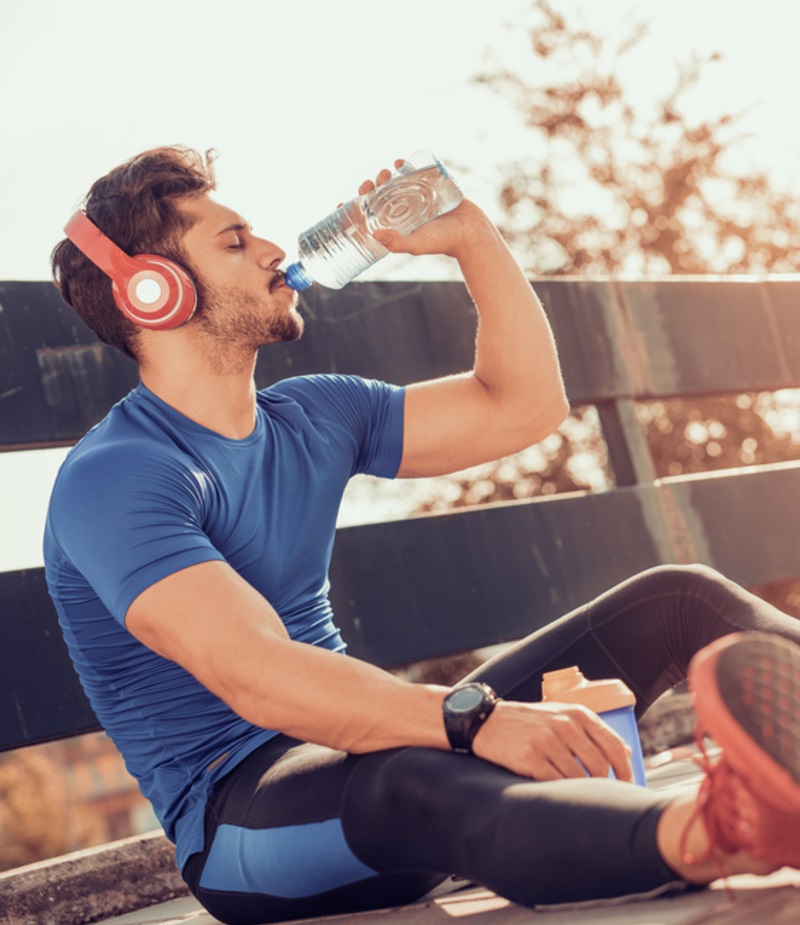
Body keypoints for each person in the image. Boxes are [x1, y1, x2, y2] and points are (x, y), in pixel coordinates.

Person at [46, 145, 800, 925]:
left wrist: (474, 239)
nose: (273, 251)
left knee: (679, 598)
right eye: (234, 242)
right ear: (154, 290)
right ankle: (728, 832)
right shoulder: (117, 477)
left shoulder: (314, 414)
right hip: (246, 822)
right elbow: (258, 674)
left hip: (380, 741)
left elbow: (524, 406)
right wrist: (475, 718)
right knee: (413, 777)